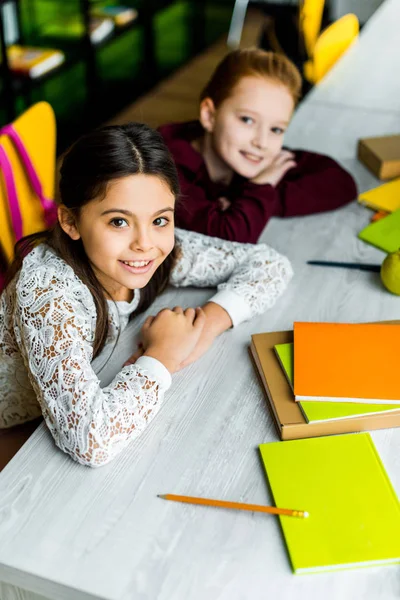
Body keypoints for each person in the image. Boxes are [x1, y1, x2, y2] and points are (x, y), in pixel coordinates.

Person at [0, 122, 293, 467]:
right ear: (70, 222)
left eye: (160, 220)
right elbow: (91, 441)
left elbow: (269, 264)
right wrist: (163, 354)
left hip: (59, 408)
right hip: (14, 437)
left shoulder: (149, 249)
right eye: (119, 222)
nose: (144, 243)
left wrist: (206, 326)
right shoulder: (48, 291)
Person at [159, 48, 357, 243]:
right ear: (210, 116)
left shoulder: (244, 154)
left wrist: (249, 198)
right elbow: (228, 239)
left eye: (276, 129)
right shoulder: (164, 172)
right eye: (247, 120)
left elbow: (342, 184)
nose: (261, 142)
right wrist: (260, 189)